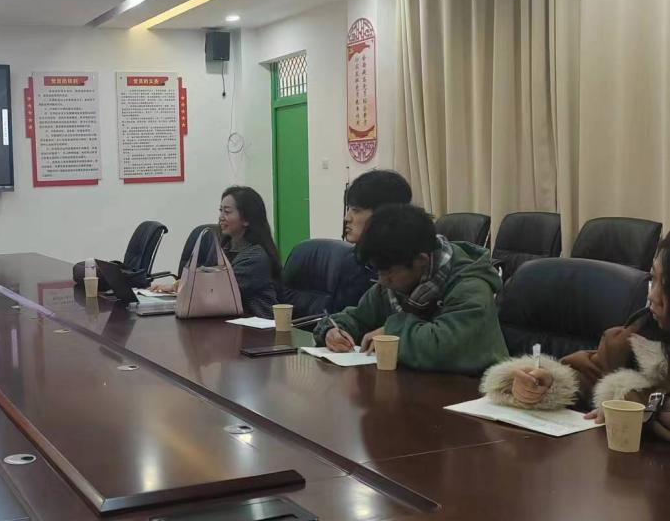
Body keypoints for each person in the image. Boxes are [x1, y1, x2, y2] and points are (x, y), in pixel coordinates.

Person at [481, 236, 670, 432]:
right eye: (653, 279)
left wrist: (640, 404)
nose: (652, 296)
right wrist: (546, 384)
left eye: (665, 285)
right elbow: (593, 374)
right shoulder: (642, 334)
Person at [314, 204, 507, 375]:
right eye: (378, 271)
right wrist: (333, 330)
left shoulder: (470, 286)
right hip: (415, 387)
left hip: (473, 391)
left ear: (420, 261)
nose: (382, 280)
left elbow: (446, 346)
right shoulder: (392, 281)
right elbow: (358, 317)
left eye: (388, 273)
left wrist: (392, 333)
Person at [282, 169, 413, 316]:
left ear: (384, 214)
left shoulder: (410, 265)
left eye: (356, 210)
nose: (347, 218)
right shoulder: (353, 259)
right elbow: (335, 315)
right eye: (349, 209)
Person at [153, 186, 281, 318]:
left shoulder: (255, 257)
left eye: (227, 212)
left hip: (257, 325)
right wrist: (175, 286)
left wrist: (177, 286)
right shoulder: (223, 248)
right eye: (221, 211)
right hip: (226, 321)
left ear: (246, 219)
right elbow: (205, 278)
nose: (221, 217)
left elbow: (215, 290)